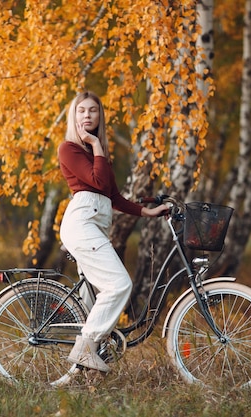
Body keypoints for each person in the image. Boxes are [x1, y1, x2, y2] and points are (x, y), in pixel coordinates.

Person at [58, 91, 169, 372]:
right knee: (119, 285)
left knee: (93, 299)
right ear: (74, 116)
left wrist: (147, 212)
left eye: (93, 111)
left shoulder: (98, 154)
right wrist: (95, 144)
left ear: (100, 116)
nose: (87, 115)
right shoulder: (69, 149)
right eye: (81, 111)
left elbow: (113, 196)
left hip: (94, 224)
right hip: (82, 223)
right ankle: (84, 348)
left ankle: (86, 364)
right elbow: (96, 180)